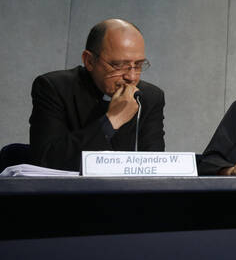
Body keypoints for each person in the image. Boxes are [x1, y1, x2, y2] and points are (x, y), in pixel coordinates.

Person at [29, 19, 165, 171]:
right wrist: (111, 121)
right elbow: (46, 161)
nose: (132, 77)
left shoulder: (150, 97)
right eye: (119, 65)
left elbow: (154, 167)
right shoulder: (55, 88)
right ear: (89, 61)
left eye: (138, 65)